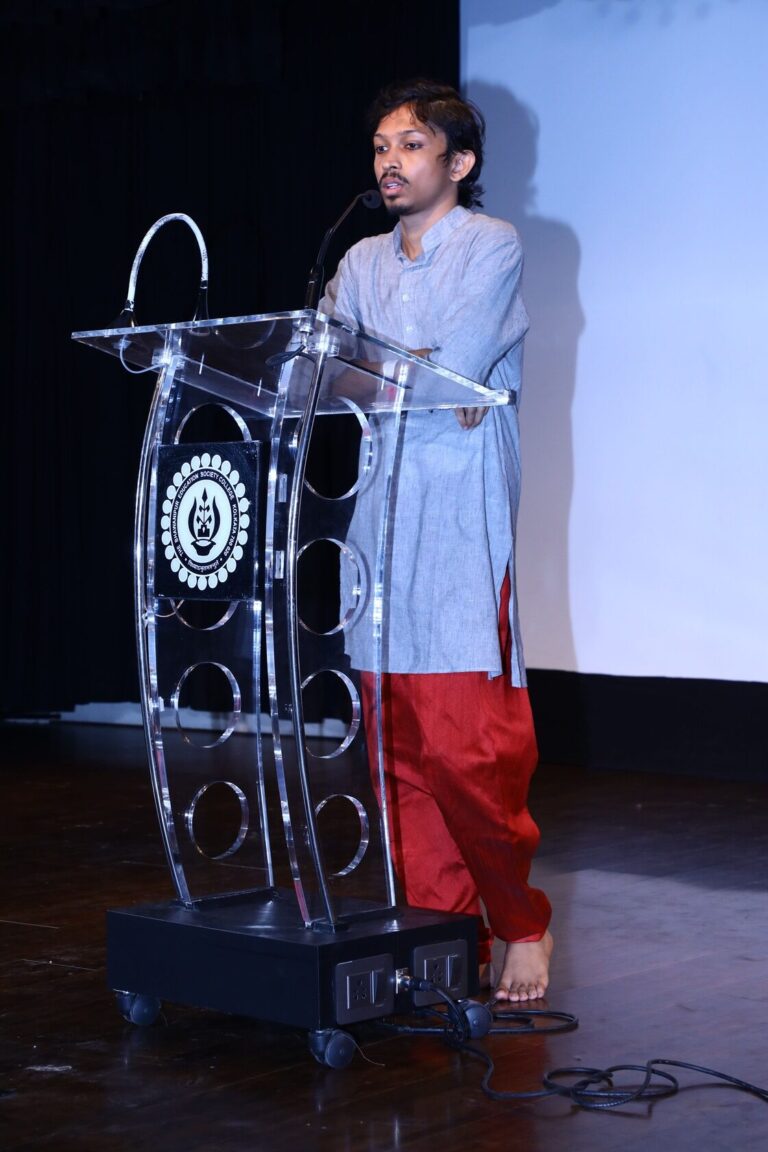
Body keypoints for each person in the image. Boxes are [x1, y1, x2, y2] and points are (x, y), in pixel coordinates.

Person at [320, 79, 552, 1002]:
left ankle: (520, 921)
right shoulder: (359, 260)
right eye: (382, 146)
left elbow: (452, 365)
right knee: (396, 757)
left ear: (460, 163)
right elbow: (327, 366)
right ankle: (443, 938)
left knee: (468, 751)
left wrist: (399, 369)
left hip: (458, 527)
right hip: (379, 525)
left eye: (411, 145)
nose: (390, 161)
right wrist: (410, 374)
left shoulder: (491, 244)